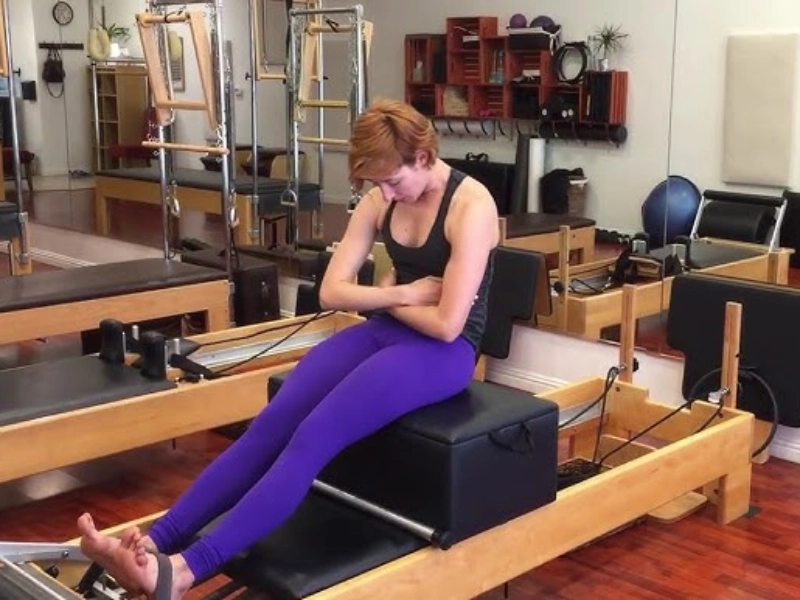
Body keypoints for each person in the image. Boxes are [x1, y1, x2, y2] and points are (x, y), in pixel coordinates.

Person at [77, 98, 500, 599]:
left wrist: (380, 299)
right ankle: (155, 542)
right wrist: (402, 293)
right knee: (271, 424)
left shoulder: (472, 208)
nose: (385, 194)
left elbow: (449, 323)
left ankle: (187, 570)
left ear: (424, 158)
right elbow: (332, 291)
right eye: (376, 184)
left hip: (442, 354)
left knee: (312, 437)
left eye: (393, 181)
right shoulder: (381, 198)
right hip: (390, 328)